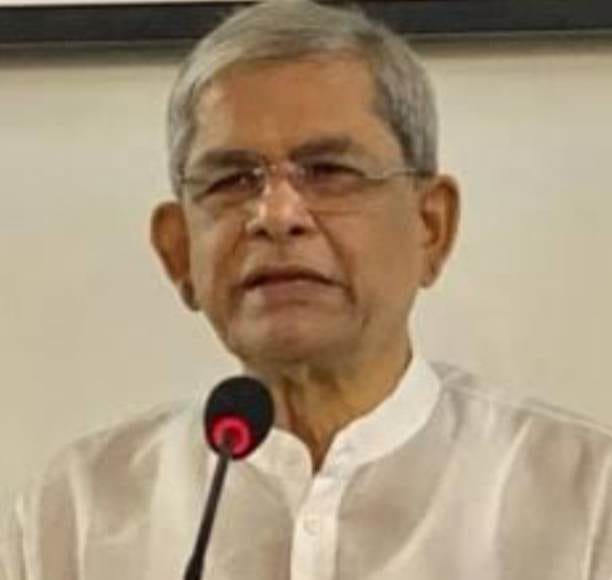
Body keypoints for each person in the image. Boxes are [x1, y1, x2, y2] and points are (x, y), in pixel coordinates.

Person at [2, 1, 612, 578]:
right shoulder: (76, 515)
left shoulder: (583, 500)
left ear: (431, 226)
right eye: (231, 180)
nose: (276, 215)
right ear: (179, 250)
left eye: (329, 172)